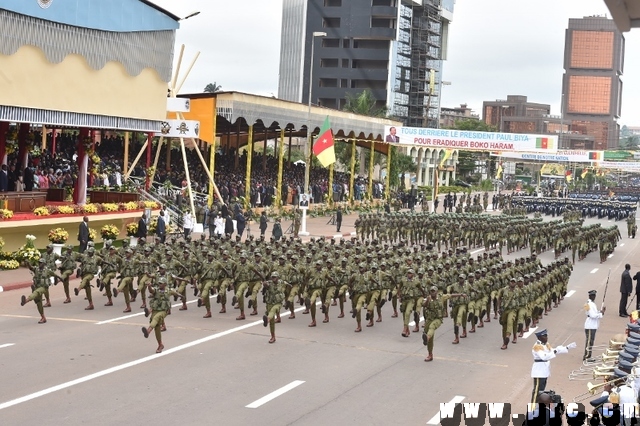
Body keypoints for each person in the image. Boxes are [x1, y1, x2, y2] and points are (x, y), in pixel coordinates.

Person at [530, 329, 576, 404]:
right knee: (537, 392)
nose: (546, 337)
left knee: (542, 391)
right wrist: (555, 351)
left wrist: (566, 347)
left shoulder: (546, 344)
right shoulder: (537, 346)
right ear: (539, 337)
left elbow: (552, 350)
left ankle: (538, 407)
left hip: (544, 371)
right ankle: (532, 408)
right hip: (539, 371)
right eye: (544, 336)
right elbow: (544, 356)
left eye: (546, 335)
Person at [142, 276, 183, 353]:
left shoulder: (168, 291)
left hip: (163, 311)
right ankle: (160, 345)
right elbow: (151, 291)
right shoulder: (156, 290)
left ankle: (148, 331)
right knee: (157, 328)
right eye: (159, 283)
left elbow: (176, 293)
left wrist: (181, 296)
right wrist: (149, 286)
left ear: (165, 284)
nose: (159, 284)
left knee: (156, 318)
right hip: (155, 310)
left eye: (161, 283)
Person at [20, 258, 60, 324]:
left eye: (41, 263)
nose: (39, 264)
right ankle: (43, 317)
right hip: (37, 286)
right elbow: (30, 268)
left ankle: (26, 300)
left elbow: (55, 275)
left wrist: (60, 279)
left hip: (43, 287)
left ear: (44, 264)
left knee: (36, 292)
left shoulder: (47, 271)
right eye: (39, 263)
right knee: (39, 303)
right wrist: (28, 263)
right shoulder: (36, 269)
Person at [262, 271, 286, 343]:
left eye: (275, 277)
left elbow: (286, 283)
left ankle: (267, 319)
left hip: (278, 303)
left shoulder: (281, 282)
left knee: (273, 310)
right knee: (272, 323)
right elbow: (266, 285)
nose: (273, 278)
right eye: (272, 277)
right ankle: (273, 336)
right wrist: (264, 283)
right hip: (269, 303)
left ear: (278, 277)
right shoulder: (269, 283)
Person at [583, 289, 605, 362]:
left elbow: (594, 313)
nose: (594, 297)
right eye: (593, 295)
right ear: (590, 296)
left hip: (592, 325)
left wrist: (600, 312)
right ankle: (587, 357)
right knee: (589, 341)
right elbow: (592, 315)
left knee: (591, 341)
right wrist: (600, 314)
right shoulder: (589, 304)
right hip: (590, 325)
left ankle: (588, 355)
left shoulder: (590, 303)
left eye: (594, 295)